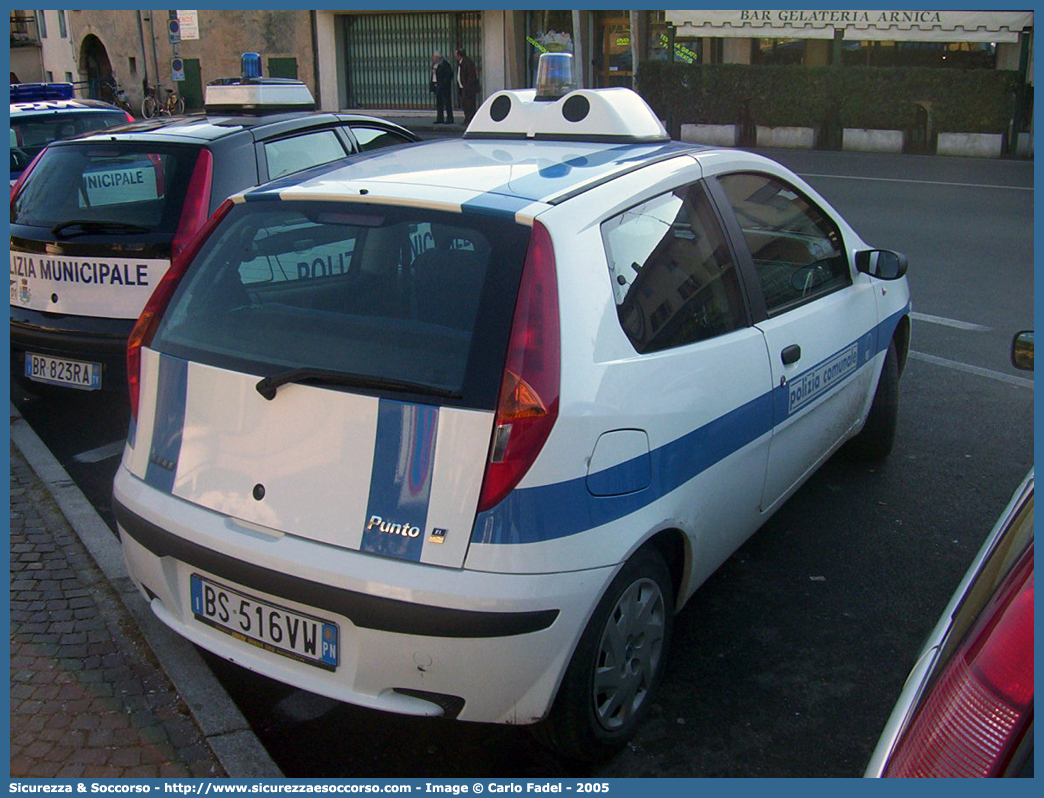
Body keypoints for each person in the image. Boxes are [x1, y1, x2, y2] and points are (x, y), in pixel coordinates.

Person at [454, 48, 480, 125]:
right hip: (463, 87)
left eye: (456, 55)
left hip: (468, 88)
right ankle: (467, 118)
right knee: (465, 104)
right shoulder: (461, 63)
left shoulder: (467, 62)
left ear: (459, 55)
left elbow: (471, 76)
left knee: (469, 104)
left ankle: (470, 119)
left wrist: (467, 86)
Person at [430, 51, 453, 125]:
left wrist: (444, 83)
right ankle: (440, 118)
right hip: (437, 85)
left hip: (444, 87)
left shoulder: (444, 64)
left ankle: (449, 118)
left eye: (434, 57)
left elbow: (449, 74)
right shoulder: (434, 65)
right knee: (439, 103)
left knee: (447, 103)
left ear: (438, 57)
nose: (433, 58)